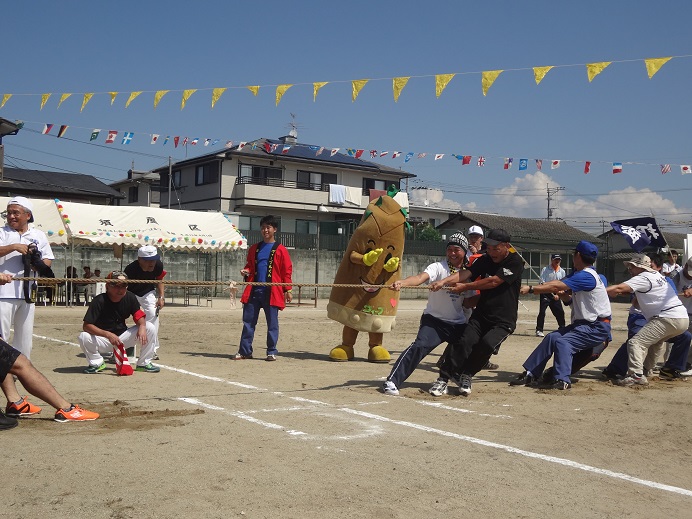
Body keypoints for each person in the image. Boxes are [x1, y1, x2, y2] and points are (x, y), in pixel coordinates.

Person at [429, 228, 524, 396]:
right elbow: (467, 272)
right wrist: (443, 281)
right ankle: (443, 378)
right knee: (464, 341)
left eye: (496, 248)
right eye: (489, 247)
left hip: (504, 320)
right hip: (482, 314)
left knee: (486, 345)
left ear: (507, 246)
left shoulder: (515, 261)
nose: (491, 252)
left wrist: (466, 286)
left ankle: (467, 374)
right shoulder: (486, 259)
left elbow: (494, 282)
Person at [381, 232, 478, 396]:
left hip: (458, 323)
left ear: (464, 252)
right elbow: (420, 278)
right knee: (419, 346)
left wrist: (485, 294)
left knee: (468, 347)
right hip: (434, 321)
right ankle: (392, 381)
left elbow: (469, 302)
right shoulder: (438, 267)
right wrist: (403, 282)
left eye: (457, 250)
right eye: (450, 249)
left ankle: (455, 375)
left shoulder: (468, 274)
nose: (453, 253)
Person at [510, 240, 611, 390]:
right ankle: (531, 373)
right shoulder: (579, 274)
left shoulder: (587, 276)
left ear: (578, 255)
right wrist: (560, 294)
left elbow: (557, 285)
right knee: (552, 338)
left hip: (596, 327)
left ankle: (562, 380)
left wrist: (531, 289)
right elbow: (559, 285)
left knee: (564, 343)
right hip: (583, 325)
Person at [0, 196, 55, 417]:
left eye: (16, 212)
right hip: (2, 294)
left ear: (28, 215)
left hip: (27, 294)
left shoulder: (38, 234)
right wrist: (14, 247)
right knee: (1, 342)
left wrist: (38, 261)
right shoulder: (1, 232)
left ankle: (18, 391)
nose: (11, 216)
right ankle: (10, 395)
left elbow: (48, 262)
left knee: (25, 343)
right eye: (9, 212)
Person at [606, 254, 689, 386]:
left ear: (639, 267)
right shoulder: (658, 276)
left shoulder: (643, 277)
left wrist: (599, 292)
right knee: (656, 343)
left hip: (667, 317)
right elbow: (637, 301)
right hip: (682, 318)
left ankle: (636, 375)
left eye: (631, 267)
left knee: (635, 343)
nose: (630, 270)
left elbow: (619, 288)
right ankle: (646, 370)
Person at [234, 215, 293, 361]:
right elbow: (250, 265)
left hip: (272, 291)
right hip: (254, 290)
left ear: (274, 229)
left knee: (272, 324)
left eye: (268, 227)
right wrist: (246, 271)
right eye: (263, 228)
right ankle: (245, 351)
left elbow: (287, 270)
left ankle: (271, 351)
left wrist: (288, 290)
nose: (265, 230)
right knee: (248, 322)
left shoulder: (281, 250)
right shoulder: (254, 248)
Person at [78, 271, 159, 374]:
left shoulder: (130, 297)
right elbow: (87, 326)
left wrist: (142, 325)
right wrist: (107, 334)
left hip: (123, 339)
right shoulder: (99, 300)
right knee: (83, 336)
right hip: (104, 340)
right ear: (108, 286)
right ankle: (97, 363)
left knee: (149, 327)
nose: (120, 289)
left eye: (124, 286)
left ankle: (143, 363)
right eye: (116, 286)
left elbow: (138, 314)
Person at [124, 245, 166, 359]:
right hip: (131, 293)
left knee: (153, 314)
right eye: (148, 260)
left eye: (154, 259)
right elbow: (124, 287)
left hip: (147, 291)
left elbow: (160, 280)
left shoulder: (158, 265)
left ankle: (152, 348)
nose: (152, 263)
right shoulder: (130, 269)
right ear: (140, 260)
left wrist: (161, 297)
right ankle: (120, 345)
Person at [534, 254, 566, 337]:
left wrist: (559, 294)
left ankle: (562, 328)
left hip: (556, 294)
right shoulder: (545, 269)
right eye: (555, 259)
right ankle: (539, 330)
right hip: (545, 293)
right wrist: (545, 286)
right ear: (552, 260)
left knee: (560, 312)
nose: (557, 261)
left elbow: (563, 284)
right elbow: (542, 282)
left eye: (559, 260)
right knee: (542, 312)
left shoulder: (562, 271)